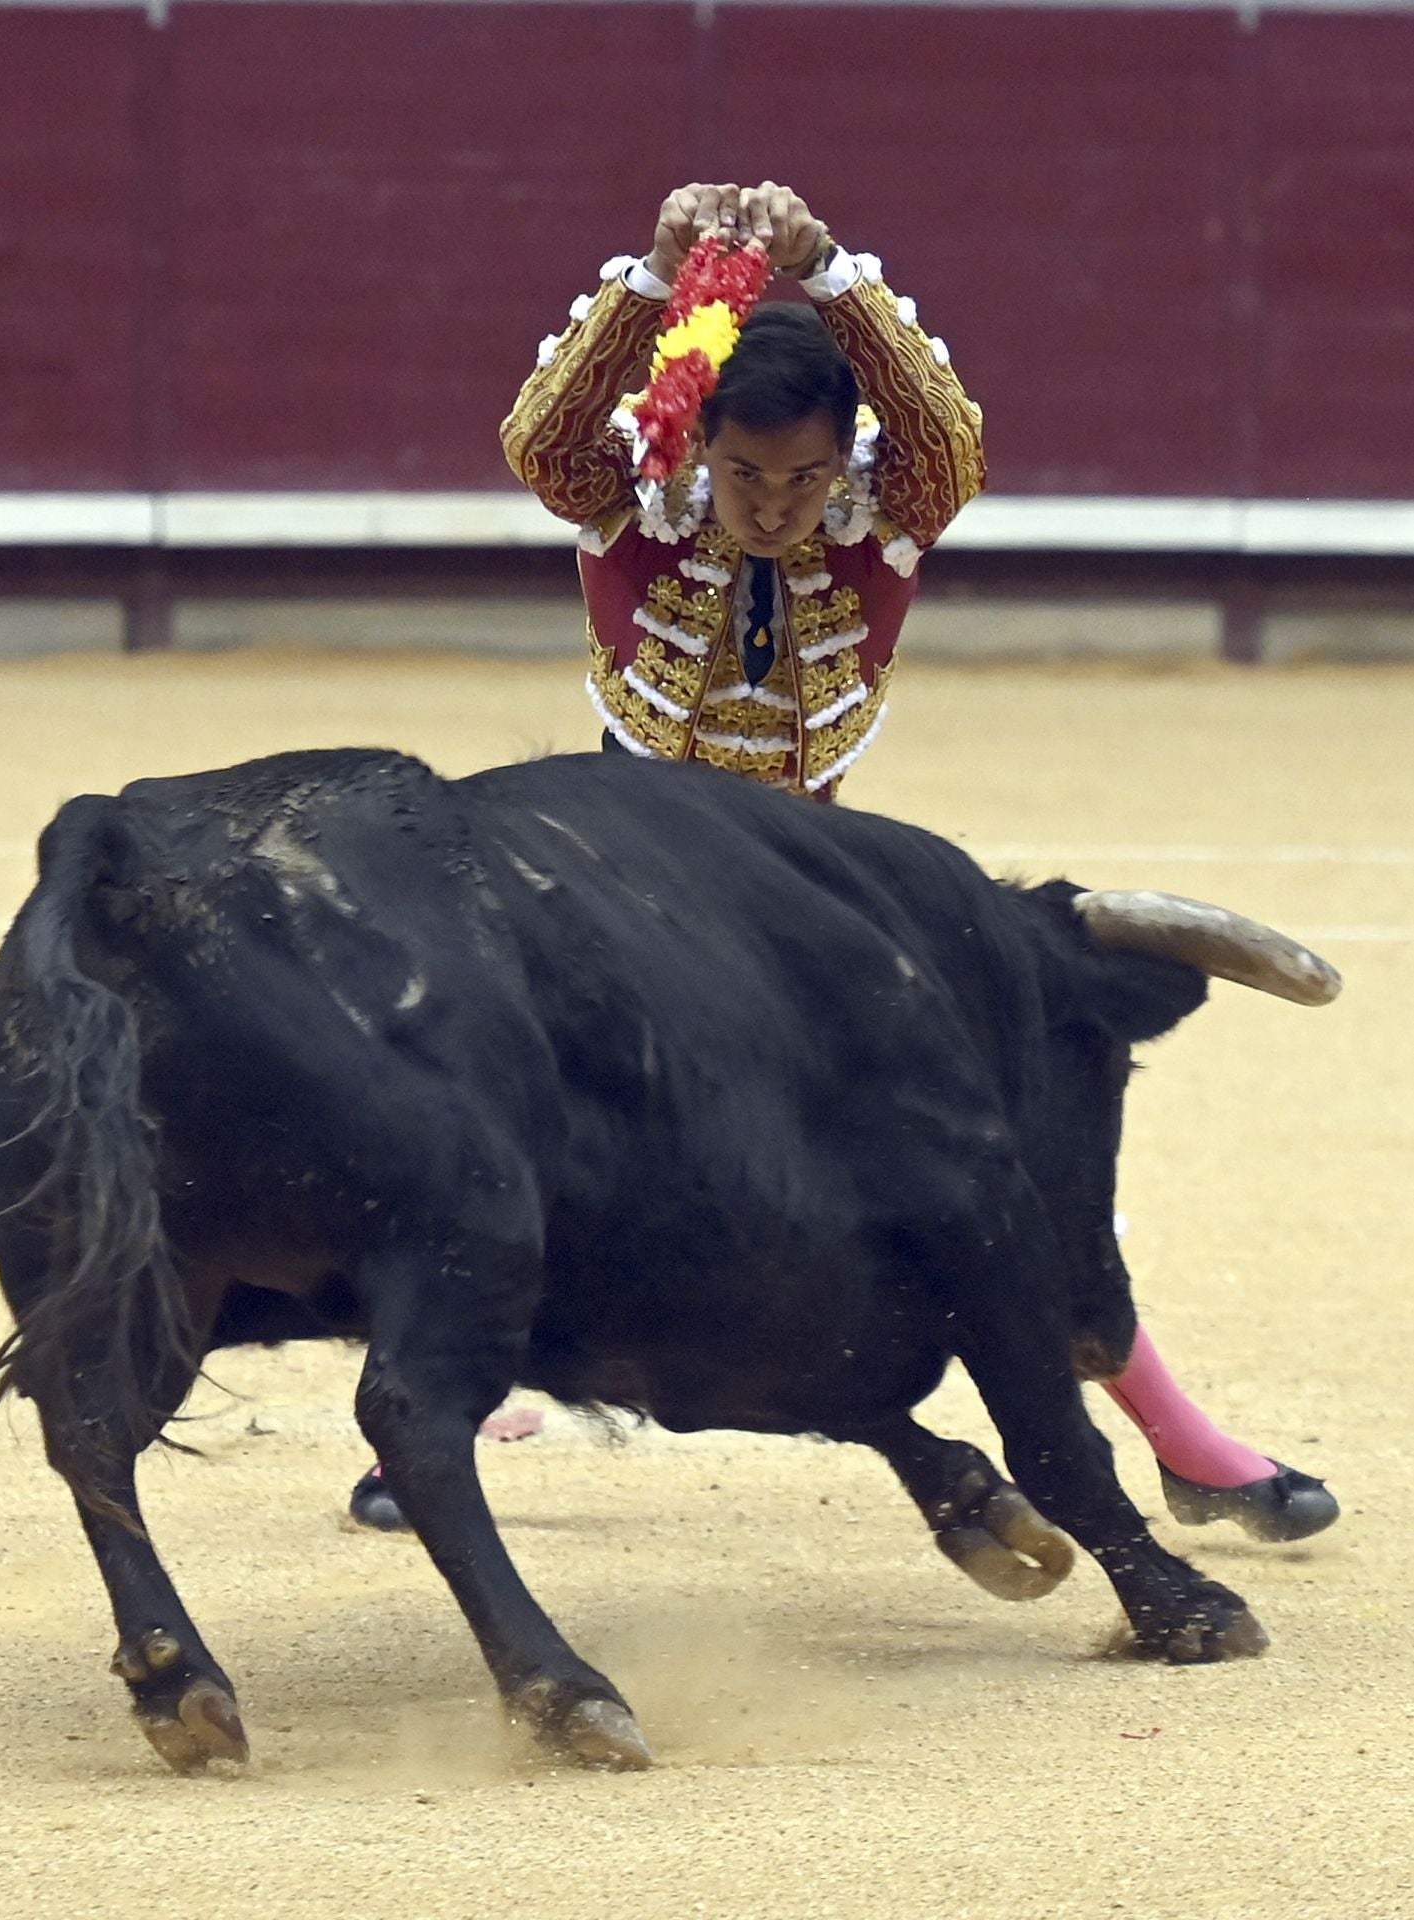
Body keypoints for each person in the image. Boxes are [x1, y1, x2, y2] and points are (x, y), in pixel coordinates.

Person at [349, 181, 1336, 1545]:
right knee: (509, 1121)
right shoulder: (636, 507)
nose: (772, 504)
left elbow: (945, 435)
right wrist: (653, 279)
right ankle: (423, 1427)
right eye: (744, 475)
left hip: (803, 890)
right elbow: (541, 436)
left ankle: (1182, 1441)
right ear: (697, 451)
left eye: (805, 475)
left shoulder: (883, 514)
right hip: (605, 882)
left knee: (993, 1138)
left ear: (843, 460)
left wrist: (837, 275)